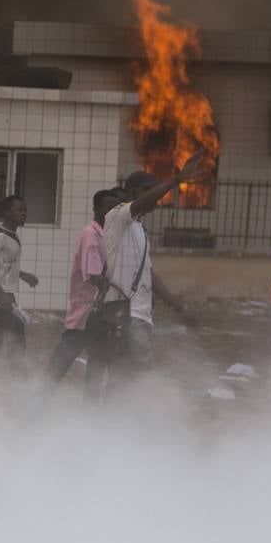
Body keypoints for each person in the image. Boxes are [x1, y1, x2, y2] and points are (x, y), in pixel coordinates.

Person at [97, 160, 205, 380]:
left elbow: (149, 275)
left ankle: (115, 414)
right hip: (126, 313)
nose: (158, 200)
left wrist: (178, 307)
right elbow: (138, 204)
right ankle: (130, 413)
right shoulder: (117, 216)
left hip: (138, 314)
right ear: (136, 191)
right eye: (152, 192)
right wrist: (175, 180)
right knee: (139, 376)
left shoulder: (139, 228)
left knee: (126, 375)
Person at [44, 188, 120, 398]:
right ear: (96, 209)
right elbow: (95, 275)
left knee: (96, 365)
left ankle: (89, 414)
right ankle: (37, 403)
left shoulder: (105, 235)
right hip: (86, 313)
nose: (111, 212)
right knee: (62, 361)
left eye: (115, 208)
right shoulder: (91, 234)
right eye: (107, 207)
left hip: (99, 315)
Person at [0, 195, 38, 376]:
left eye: (25, 210)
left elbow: (3, 265)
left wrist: (23, 275)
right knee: (4, 346)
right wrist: (0, 294)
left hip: (6, 298)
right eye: (19, 210)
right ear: (6, 213)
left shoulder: (13, 236)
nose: (23, 213)